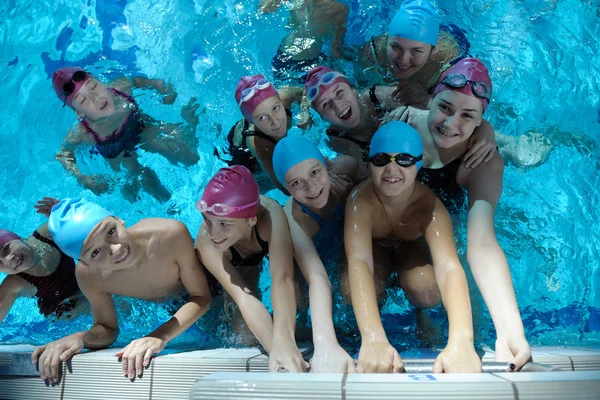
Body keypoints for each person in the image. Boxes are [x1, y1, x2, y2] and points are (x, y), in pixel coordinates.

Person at [390, 57, 532, 371]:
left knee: (527, 155)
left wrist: (510, 330)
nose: (451, 123)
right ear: (430, 100)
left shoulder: (482, 160)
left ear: (481, 121)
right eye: (444, 108)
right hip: (399, 215)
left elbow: (481, 243)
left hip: (442, 212)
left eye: (468, 116)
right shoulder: (403, 122)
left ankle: (539, 141)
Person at [343, 121, 482, 374]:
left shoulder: (429, 205)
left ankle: (420, 311)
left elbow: (449, 266)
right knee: (350, 291)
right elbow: (360, 261)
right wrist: (373, 338)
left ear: (419, 163)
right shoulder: (359, 201)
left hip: (411, 249)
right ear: (369, 163)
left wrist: (462, 340)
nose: (391, 168)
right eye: (381, 159)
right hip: (376, 251)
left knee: (427, 291)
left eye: (404, 159)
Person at [32, 198, 211, 384]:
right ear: (84, 262)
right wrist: (80, 338)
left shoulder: (169, 235)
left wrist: (158, 337)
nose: (116, 249)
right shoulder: (88, 275)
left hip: (196, 288)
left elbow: (201, 296)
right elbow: (108, 328)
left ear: (119, 219)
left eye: (110, 232)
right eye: (95, 252)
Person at [194, 166, 308, 372]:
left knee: (300, 300)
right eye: (207, 220)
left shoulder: (270, 216)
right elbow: (243, 297)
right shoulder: (207, 241)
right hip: (232, 261)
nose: (213, 232)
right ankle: (302, 335)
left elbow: (282, 277)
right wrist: (278, 350)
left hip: (255, 244)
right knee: (242, 333)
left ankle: (307, 333)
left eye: (224, 224)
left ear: (251, 219)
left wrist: (285, 341)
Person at [305, 66, 495, 178]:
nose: (338, 105)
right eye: (326, 105)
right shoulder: (337, 138)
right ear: (321, 117)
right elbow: (367, 173)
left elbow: (439, 113)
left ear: (353, 89)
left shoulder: (377, 96)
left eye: (340, 93)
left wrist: (485, 128)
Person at [273, 136, 358, 373]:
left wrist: (355, 192)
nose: (311, 187)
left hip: (345, 237)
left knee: (353, 290)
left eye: (314, 173)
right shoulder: (296, 220)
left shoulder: (348, 167)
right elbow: (317, 278)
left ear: (328, 165)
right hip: (308, 253)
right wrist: (325, 345)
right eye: (296, 183)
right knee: (298, 303)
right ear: (286, 189)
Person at [52, 67, 201, 203]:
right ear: (79, 113)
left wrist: (163, 89)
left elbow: (148, 82)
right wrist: (81, 177)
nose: (95, 98)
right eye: (83, 100)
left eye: (94, 86)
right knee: (140, 181)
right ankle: (171, 205)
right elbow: (63, 154)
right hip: (117, 152)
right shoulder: (82, 132)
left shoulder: (121, 86)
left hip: (142, 127)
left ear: (102, 83)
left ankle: (191, 123)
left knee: (190, 158)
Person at [352, 0, 467, 91]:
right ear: (388, 41)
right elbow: (360, 93)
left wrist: (423, 98)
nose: (403, 61)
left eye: (416, 51)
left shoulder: (446, 60)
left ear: (432, 50)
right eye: (396, 47)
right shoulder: (371, 54)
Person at [0, 198, 82, 324]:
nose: (9, 260)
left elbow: (90, 229)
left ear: (19, 238)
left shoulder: (47, 234)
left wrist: (65, 216)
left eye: (6, 249)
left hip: (85, 288)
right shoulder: (16, 283)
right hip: (64, 316)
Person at [227, 74, 311, 192]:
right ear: (252, 122)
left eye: (276, 108)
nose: (275, 122)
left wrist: (305, 111)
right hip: (243, 153)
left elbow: (303, 92)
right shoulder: (260, 144)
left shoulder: (284, 97)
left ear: (280, 100)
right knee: (257, 186)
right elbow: (284, 187)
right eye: (262, 118)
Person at [259, 0, 351, 83]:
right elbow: (335, 52)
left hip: (282, 56)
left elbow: (263, 10)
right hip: (308, 66)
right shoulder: (339, 9)